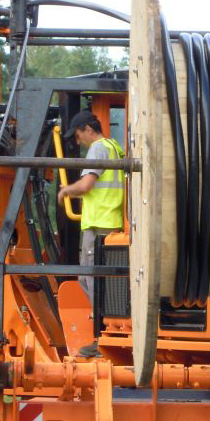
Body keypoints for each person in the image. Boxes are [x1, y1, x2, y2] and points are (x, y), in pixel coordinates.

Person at [57, 110, 126, 305]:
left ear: (87, 129)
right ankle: (105, 319)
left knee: (89, 278)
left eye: (78, 136)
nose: (78, 143)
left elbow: (86, 185)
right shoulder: (114, 147)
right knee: (102, 278)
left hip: (98, 223)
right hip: (111, 220)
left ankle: (101, 322)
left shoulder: (97, 148)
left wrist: (66, 191)